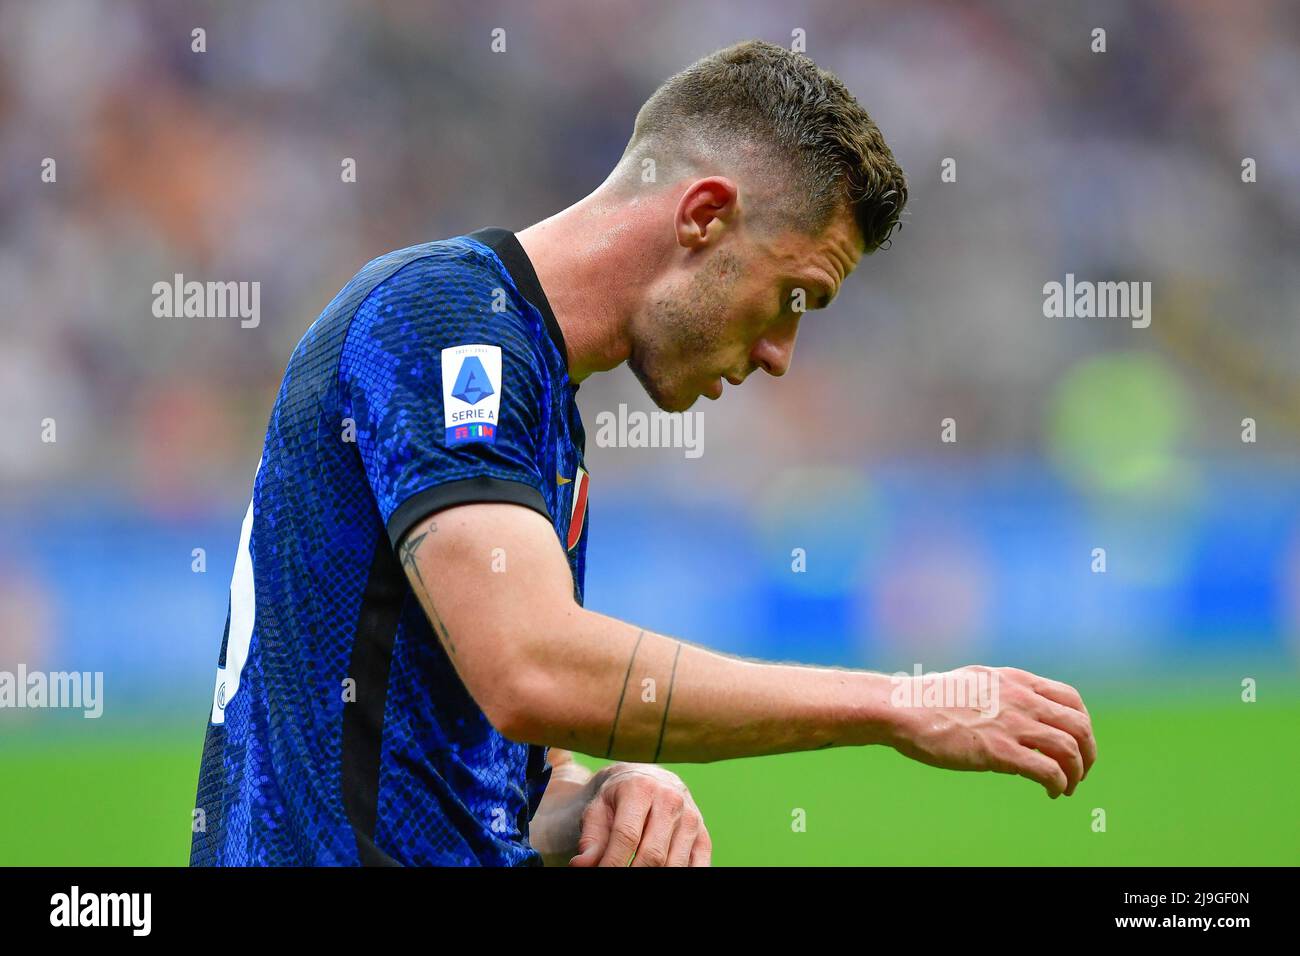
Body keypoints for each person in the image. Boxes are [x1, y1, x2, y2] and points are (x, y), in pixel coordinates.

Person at [191, 39, 1096, 868]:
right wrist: (897, 704)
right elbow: (529, 666)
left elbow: (491, 775)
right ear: (704, 215)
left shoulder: (537, 398)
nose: (781, 353)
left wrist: (601, 797)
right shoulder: (448, 325)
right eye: (793, 296)